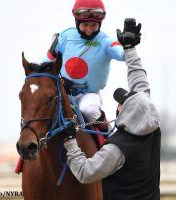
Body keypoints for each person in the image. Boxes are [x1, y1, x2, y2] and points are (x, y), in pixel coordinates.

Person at [61, 18, 161, 200]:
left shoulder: (117, 148)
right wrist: (130, 48)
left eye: (121, 103)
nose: (118, 105)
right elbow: (139, 78)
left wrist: (69, 141)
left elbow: (85, 173)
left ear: (127, 111)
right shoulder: (151, 126)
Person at [41, 0, 126, 132]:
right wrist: (58, 80)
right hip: (62, 92)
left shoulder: (106, 42)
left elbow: (122, 55)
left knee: (89, 110)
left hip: (89, 94)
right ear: (77, 21)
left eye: (94, 25)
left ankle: (110, 136)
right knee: (41, 108)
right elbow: (45, 64)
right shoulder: (64, 37)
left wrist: (128, 46)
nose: (89, 30)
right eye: (85, 24)